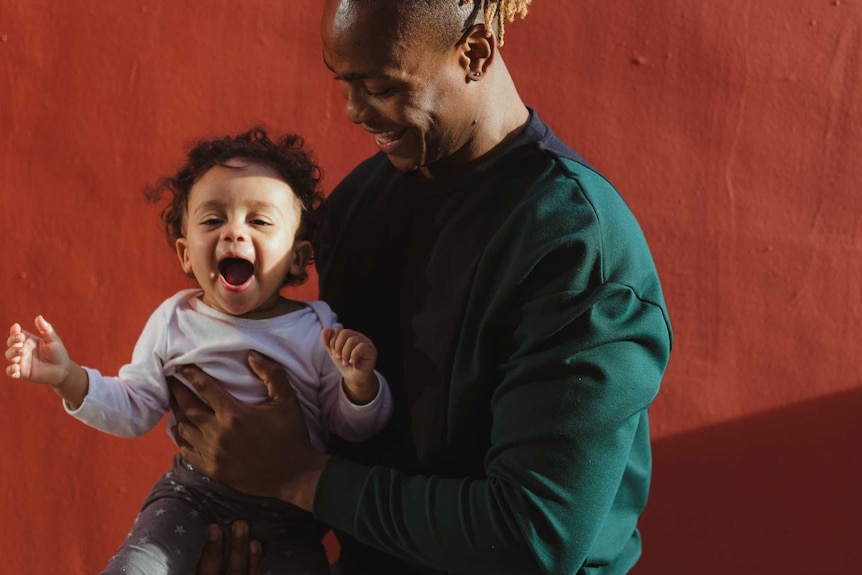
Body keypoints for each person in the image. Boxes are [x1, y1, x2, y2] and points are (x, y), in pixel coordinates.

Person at [172, 1, 674, 574]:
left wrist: (297, 476)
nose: (354, 112)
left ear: (476, 52)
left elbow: (533, 536)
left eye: (380, 86)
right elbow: (332, 424)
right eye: (343, 83)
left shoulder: (575, 246)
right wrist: (249, 530)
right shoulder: (357, 205)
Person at [4, 128, 394, 575]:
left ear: (297, 258)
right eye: (213, 221)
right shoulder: (174, 321)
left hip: (292, 514)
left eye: (260, 222)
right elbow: (134, 407)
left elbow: (348, 427)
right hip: (191, 496)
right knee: (136, 566)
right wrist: (68, 378)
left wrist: (360, 386)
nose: (233, 233)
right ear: (187, 254)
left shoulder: (317, 329)